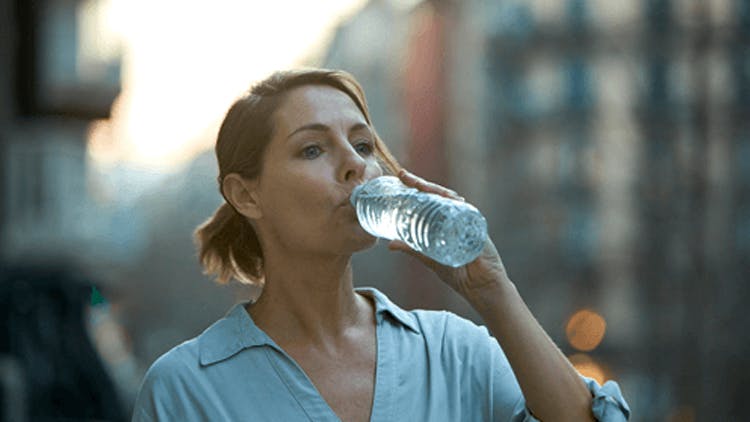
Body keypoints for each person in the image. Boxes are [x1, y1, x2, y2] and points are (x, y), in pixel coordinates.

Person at [131, 69, 630, 421]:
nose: (355, 164)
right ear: (247, 194)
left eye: (364, 145)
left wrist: (493, 290)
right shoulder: (187, 388)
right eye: (312, 149)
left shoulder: (455, 354)